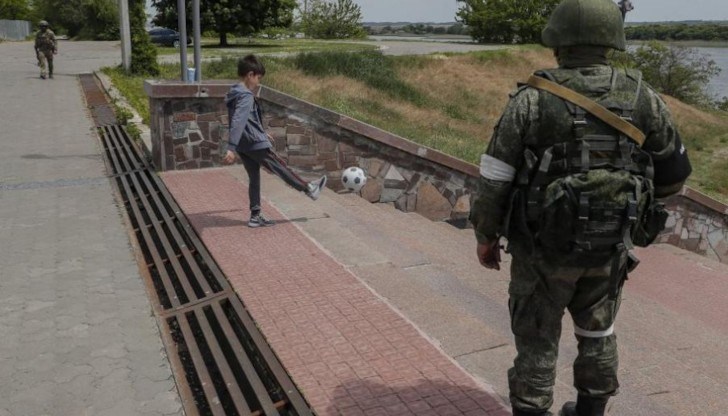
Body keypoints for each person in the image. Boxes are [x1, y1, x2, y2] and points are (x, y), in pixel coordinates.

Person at [468, 0, 692, 415]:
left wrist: (486, 235)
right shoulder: (643, 97)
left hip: (541, 249)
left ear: (558, 40)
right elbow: (675, 174)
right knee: (599, 332)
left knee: (538, 337)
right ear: (611, 41)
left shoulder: (532, 100)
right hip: (610, 248)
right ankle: (591, 411)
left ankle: (532, 408)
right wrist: (631, 211)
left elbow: (495, 177)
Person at [222, 54, 327, 228]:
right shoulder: (246, 95)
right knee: (280, 166)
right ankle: (309, 188)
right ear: (250, 75)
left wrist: (261, 133)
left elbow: (247, 120)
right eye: (258, 78)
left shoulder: (235, 92)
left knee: (254, 178)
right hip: (253, 144)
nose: (258, 82)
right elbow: (239, 120)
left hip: (244, 145)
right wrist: (230, 147)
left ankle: (255, 216)